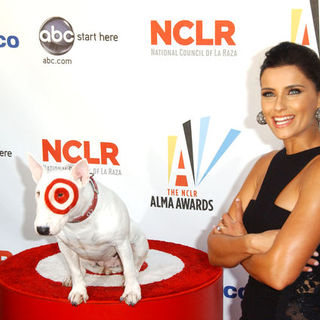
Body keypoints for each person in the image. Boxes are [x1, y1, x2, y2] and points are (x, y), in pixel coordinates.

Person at [207, 41, 320, 320]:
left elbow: (279, 274)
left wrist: (239, 242)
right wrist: (254, 243)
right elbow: (214, 249)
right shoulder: (265, 163)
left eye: (293, 91)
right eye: (269, 94)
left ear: (318, 97)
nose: (279, 106)